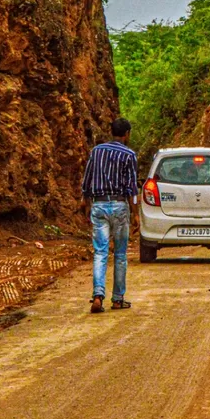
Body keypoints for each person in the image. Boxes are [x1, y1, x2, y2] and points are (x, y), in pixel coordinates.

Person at [80, 117, 138, 314]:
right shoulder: (129, 155)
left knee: (100, 252)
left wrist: (87, 203)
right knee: (120, 254)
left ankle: (98, 295)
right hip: (120, 206)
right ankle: (118, 299)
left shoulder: (96, 151)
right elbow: (131, 187)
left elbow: (87, 180)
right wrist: (135, 213)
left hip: (99, 205)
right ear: (127, 134)